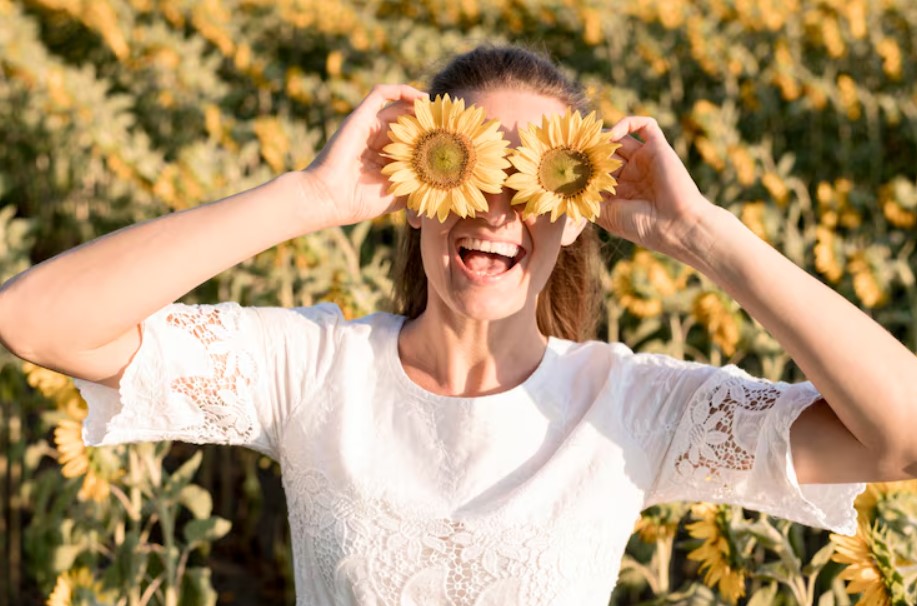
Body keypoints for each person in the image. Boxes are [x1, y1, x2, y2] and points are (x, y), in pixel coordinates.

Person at [0, 45, 914, 605]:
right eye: (466, 168)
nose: (496, 207)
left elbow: (902, 438)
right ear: (410, 192)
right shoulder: (312, 370)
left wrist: (704, 236)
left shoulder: (629, 408)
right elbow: (36, 319)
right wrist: (309, 196)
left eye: (536, 179)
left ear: (578, 207)